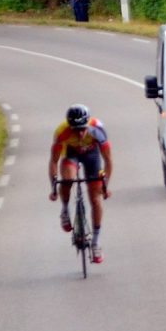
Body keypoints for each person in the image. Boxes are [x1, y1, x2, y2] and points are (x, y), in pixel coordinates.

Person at [48, 104, 112, 263]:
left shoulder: (98, 129)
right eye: (76, 130)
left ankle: (96, 243)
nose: (81, 133)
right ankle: (64, 210)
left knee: (96, 199)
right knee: (68, 178)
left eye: (83, 128)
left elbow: (108, 160)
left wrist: (105, 186)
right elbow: (54, 161)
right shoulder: (61, 132)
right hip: (72, 154)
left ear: (88, 123)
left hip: (92, 155)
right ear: (70, 127)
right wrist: (53, 187)